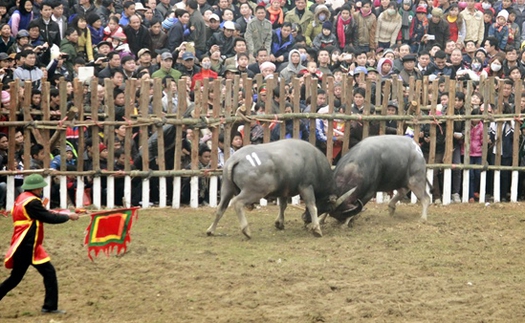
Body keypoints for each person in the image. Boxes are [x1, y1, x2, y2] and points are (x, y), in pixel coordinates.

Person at [0, 174, 79, 314]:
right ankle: (49, 307)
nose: (42, 189)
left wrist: (64, 213)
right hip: (27, 245)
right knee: (20, 277)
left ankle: (50, 306)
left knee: (26, 276)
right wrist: (68, 217)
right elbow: (48, 217)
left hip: (26, 244)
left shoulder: (22, 198)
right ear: (36, 188)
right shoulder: (32, 202)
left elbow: (43, 213)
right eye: (41, 187)